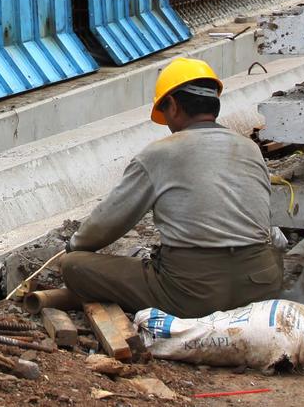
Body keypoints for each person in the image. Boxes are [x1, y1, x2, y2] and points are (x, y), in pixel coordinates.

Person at [60, 58, 283, 317]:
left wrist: (73, 247)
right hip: (261, 285)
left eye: (164, 113)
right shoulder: (250, 149)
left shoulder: (159, 154)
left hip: (194, 294)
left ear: (174, 106)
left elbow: (105, 224)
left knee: (74, 266)